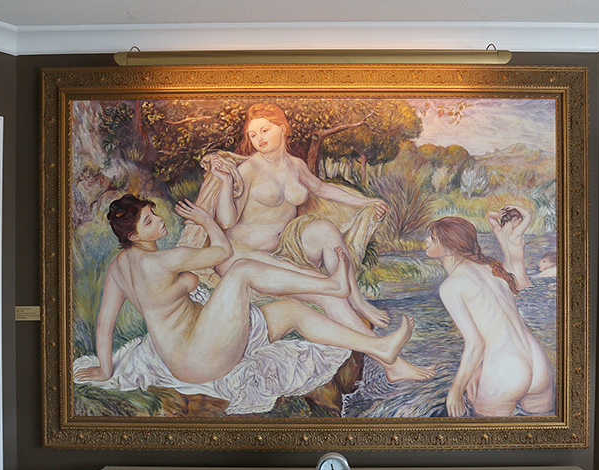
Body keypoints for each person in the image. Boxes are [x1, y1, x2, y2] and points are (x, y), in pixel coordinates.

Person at [178, 102, 436, 382]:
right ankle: (391, 364)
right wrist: (227, 182)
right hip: (242, 257)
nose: (259, 139)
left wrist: (365, 202)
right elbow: (227, 221)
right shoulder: (249, 168)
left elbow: (322, 189)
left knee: (325, 229)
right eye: (252, 135)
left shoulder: (296, 166)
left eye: (265, 130)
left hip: (282, 250)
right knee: (324, 292)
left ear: (282, 128)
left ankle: (357, 301)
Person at [74, 194, 414, 389]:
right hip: (200, 354)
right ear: (134, 236)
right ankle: (332, 285)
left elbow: (105, 324)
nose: (160, 221)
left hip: (189, 353)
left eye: (154, 213)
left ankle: (379, 348)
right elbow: (223, 252)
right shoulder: (165, 260)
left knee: (293, 312)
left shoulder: (118, 268)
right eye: (149, 221)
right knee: (241, 270)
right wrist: (207, 220)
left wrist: (105, 370)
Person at [425, 216, 555, 417]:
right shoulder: (492, 269)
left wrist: (456, 390)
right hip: (538, 362)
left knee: (489, 435)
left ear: (450, 248)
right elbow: (497, 325)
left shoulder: (452, 285)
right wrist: (476, 370)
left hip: (506, 369)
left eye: (432, 238)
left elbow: (476, 343)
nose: (426, 241)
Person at [486, 204, 533, 290]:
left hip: (505, 277)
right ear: (515, 219)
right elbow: (528, 215)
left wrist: (500, 215)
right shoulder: (515, 234)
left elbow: (489, 215)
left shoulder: (499, 232)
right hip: (519, 279)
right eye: (519, 222)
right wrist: (514, 206)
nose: (519, 225)